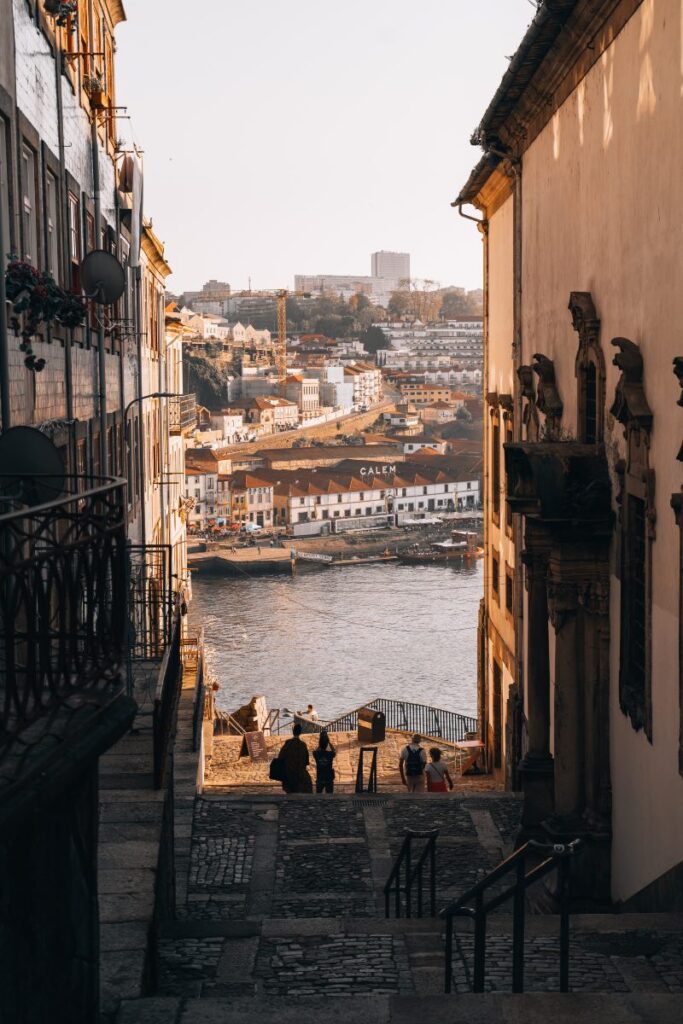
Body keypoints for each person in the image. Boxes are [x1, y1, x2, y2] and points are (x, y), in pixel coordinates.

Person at [278, 723, 312, 794]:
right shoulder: (303, 745)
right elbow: (306, 761)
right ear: (300, 732)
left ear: (293, 732)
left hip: (289, 772)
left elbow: (280, 757)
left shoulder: (287, 743)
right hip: (300, 773)